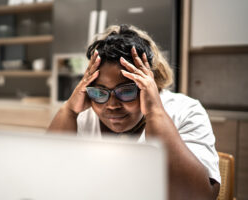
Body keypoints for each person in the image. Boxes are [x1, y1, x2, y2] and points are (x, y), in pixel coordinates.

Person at [49, 24, 221, 200]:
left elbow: (200, 196)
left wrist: (154, 112)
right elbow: (46, 179)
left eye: (126, 91)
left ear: (149, 85)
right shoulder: (82, 113)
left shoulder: (185, 111)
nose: (112, 105)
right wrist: (69, 110)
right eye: (100, 91)